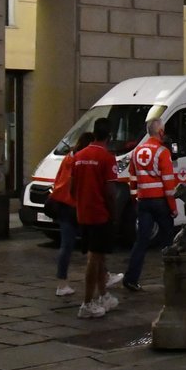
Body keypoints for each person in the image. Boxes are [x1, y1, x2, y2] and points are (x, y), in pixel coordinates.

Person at [70, 130, 122, 318]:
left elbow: (72, 188)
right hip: (100, 215)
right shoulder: (107, 158)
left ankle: (103, 295)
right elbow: (110, 191)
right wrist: (114, 214)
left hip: (83, 214)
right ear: (108, 137)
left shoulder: (79, 156)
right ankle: (87, 303)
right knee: (95, 258)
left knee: (98, 257)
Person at [123, 118, 176, 293]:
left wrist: (135, 199)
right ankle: (172, 278)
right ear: (160, 132)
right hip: (160, 201)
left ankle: (130, 278)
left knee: (141, 240)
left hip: (143, 201)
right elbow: (168, 182)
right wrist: (173, 207)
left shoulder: (137, 151)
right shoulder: (162, 152)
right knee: (169, 239)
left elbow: (132, 177)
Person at [48, 130, 88, 297]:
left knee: (68, 245)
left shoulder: (68, 157)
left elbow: (58, 179)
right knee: (92, 243)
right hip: (74, 206)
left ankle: (62, 283)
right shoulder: (79, 160)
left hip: (62, 204)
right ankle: (103, 275)